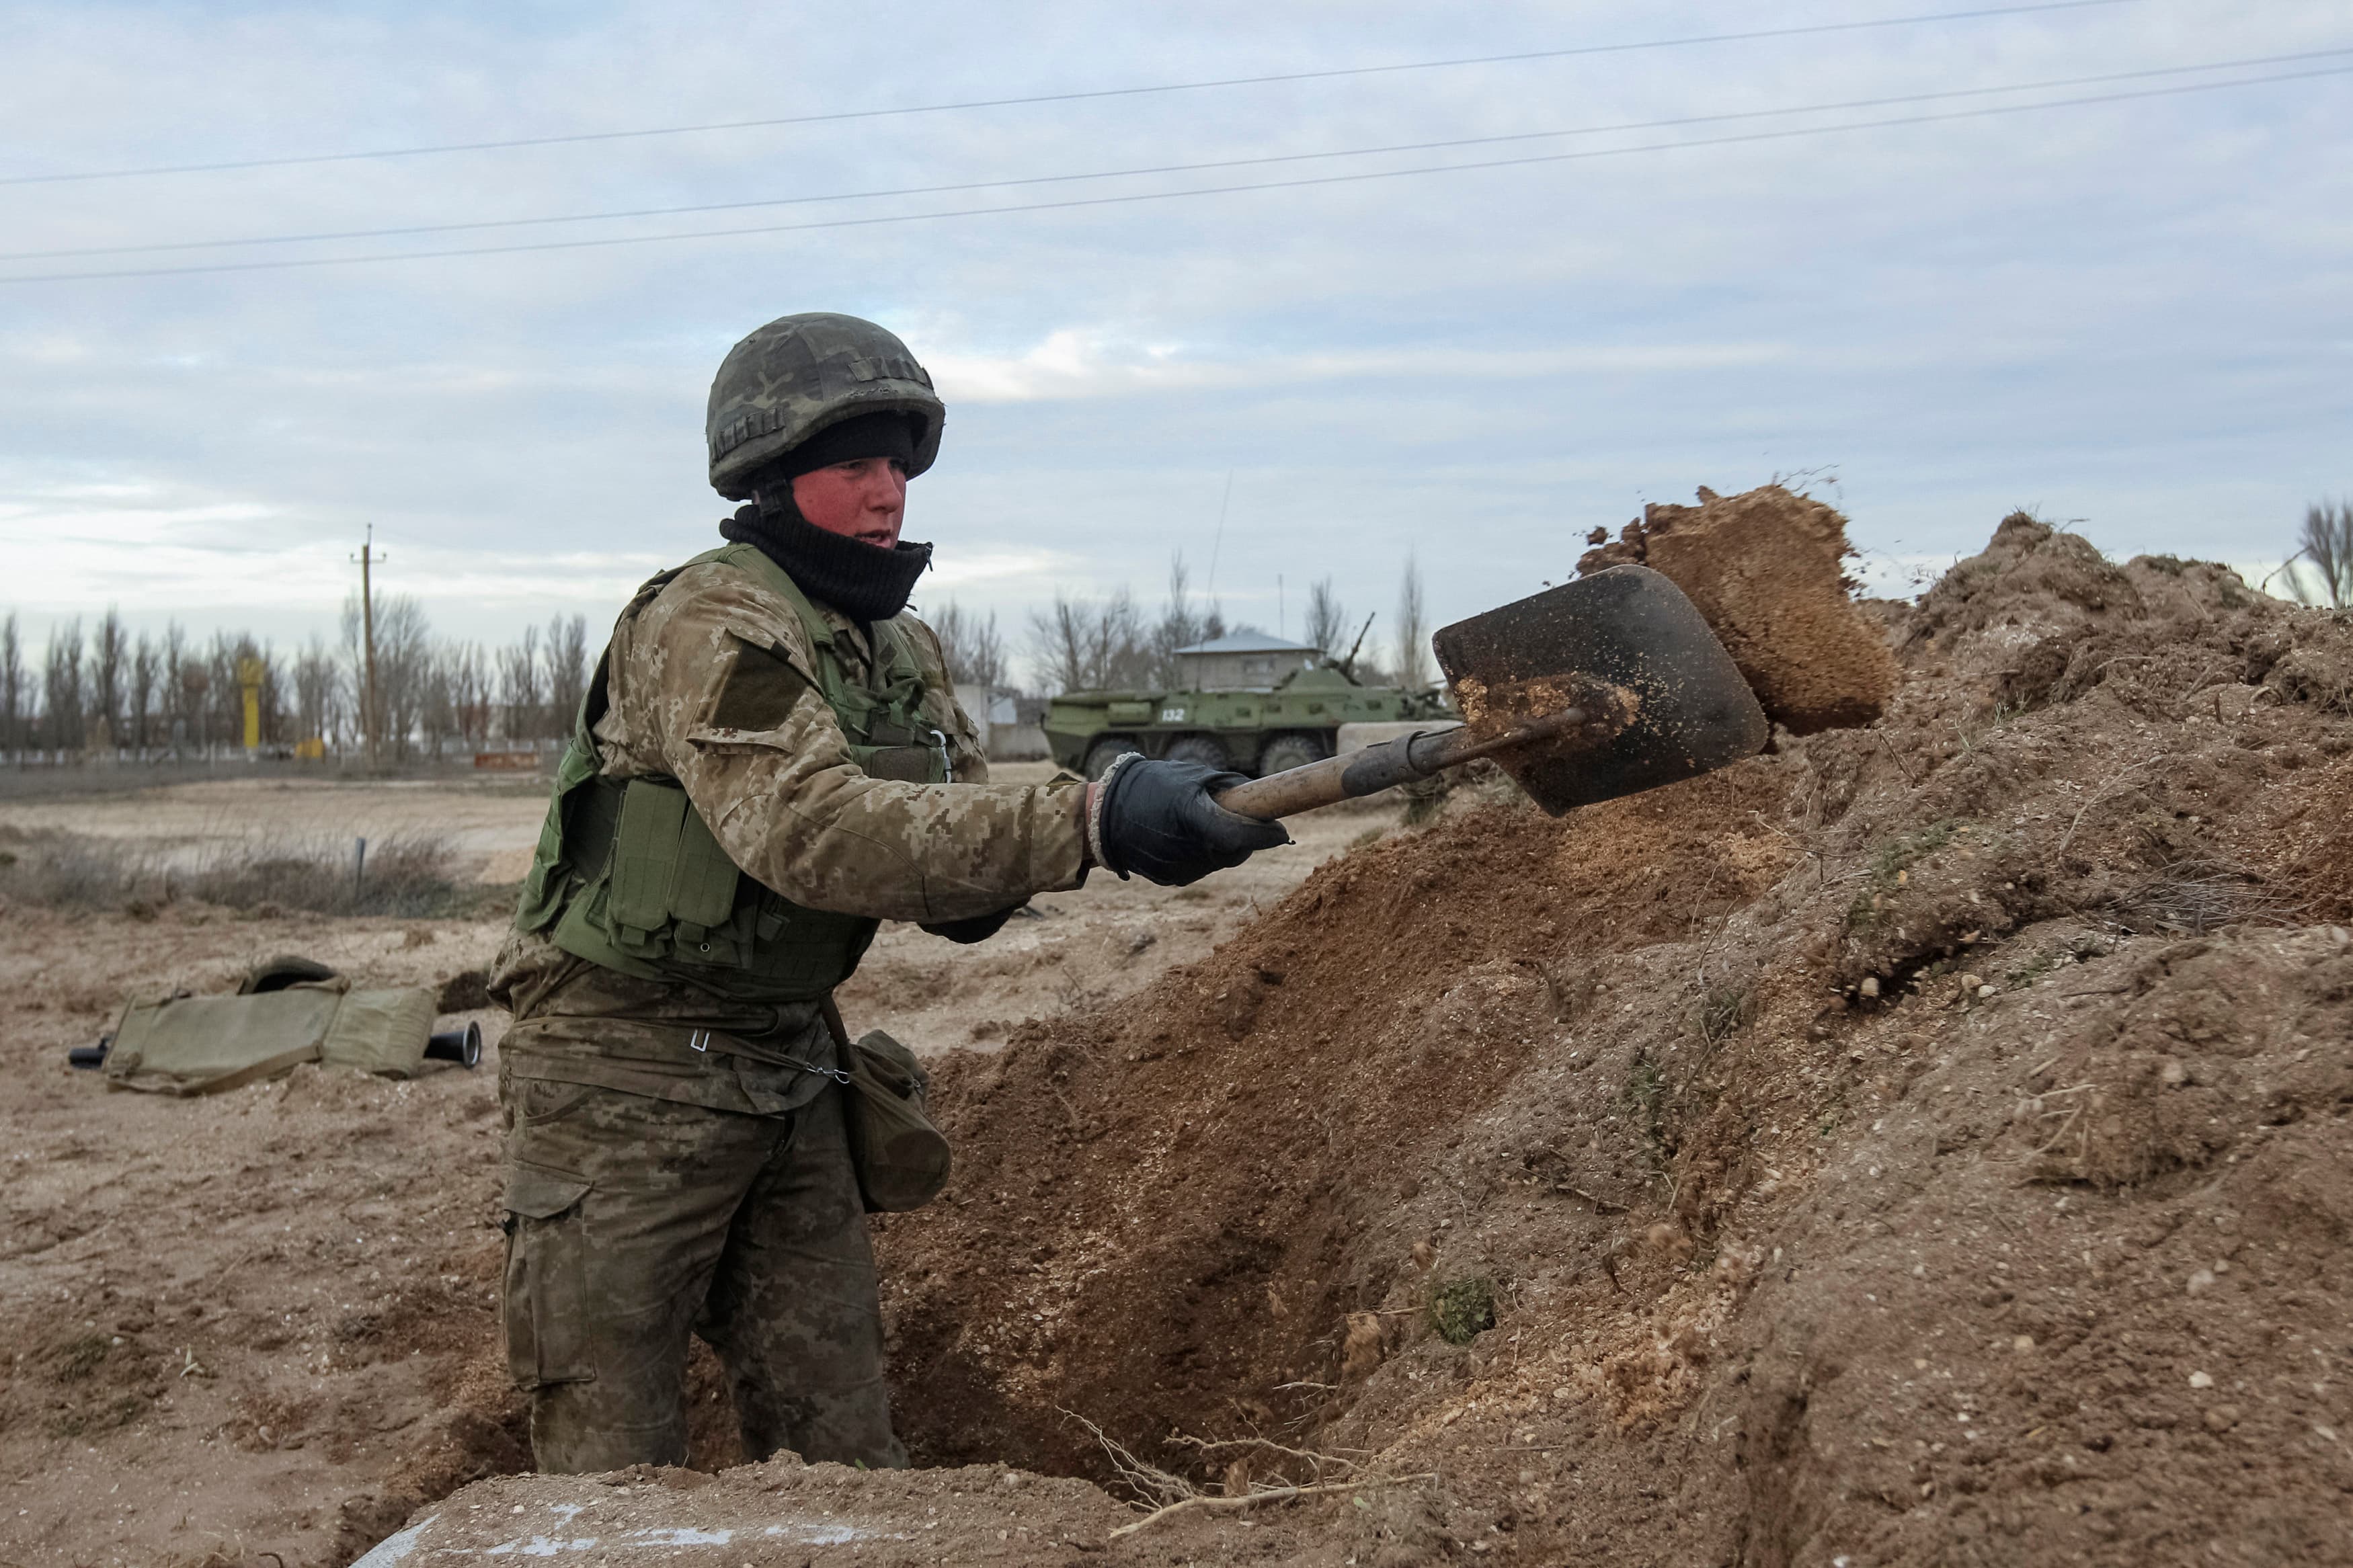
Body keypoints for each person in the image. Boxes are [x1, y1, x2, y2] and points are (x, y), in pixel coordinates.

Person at [487, 311, 1287, 1474]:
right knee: (611, 1465)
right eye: (853, 465)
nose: (887, 495)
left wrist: (1134, 826)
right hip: (622, 1071)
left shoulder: (897, 644)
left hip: (786, 1061)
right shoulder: (711, 618)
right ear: (775, 473)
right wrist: (1086, 817)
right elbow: (813, 832)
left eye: (898, 467)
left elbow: (951, 863)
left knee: (845, 1443)